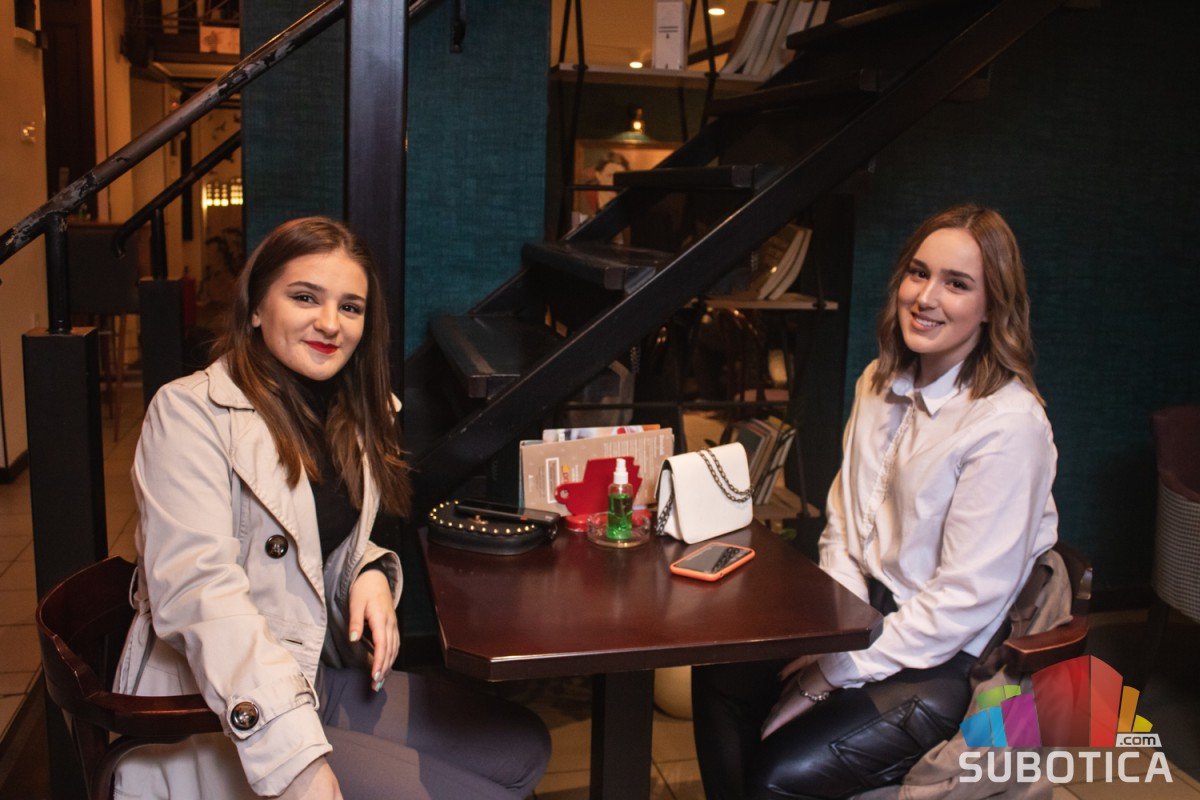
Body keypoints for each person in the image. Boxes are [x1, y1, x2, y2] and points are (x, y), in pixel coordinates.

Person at [113, 217, 551, 800]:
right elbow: (199, 595)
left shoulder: (352, 411)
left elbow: (305, 537)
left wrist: (365, 569)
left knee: (523, 746)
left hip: (310, 676)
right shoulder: (189, 413)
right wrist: (296, 763)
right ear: (255, 308)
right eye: (304, 297)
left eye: (350, 307)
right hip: (222, 710)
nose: (329, 323)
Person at [692, 204, 1059, 800]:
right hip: (865, 616)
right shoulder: (876, 381)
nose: (926, 297)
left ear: (993, 307)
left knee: (779, 773)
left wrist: (831, 672)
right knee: (720, 677)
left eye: (956, 283)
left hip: (946, 658)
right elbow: (844, 527)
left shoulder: (1008, 425)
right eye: (919, 273)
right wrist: (837, 629)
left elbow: (962, 603)